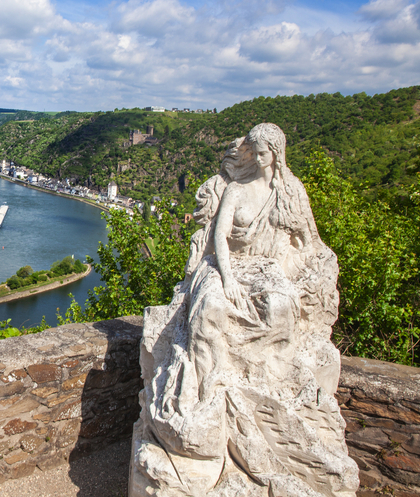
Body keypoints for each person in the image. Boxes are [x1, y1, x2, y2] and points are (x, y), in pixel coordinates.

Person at [130, 123, 357, 497]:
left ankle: (276, 380)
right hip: (225, 265)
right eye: (251, 150)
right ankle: (209, 386)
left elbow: (309, 241)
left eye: (262, 151)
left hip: (267, 270)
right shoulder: (236, 189)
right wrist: (229, 277)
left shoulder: (291, 192)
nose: (255, 156)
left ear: (276, 153)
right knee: (209, 311)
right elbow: (219, 236)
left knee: (282, 309)